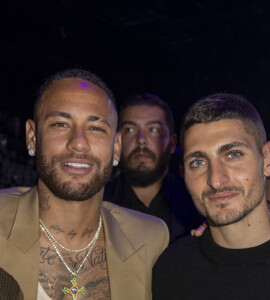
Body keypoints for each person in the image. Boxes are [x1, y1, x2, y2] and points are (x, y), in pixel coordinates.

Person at [0, 69, 169, 300]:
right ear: (32, 137)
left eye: (96, 128)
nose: (78, 143)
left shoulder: (151, 238)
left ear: (116, 147)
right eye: (60, 124)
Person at [152, 93, 270, 299]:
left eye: (233, 154)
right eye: (198, 163)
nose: (216, 180)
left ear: (267, 160)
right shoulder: (172, 270)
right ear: (184, 175)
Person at [104, 94, 203, 242]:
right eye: (130, 130)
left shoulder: (199, 203)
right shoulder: (96, 205)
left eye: (154, 130)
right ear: (117, 142)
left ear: (172, 143)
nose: (141, 140)